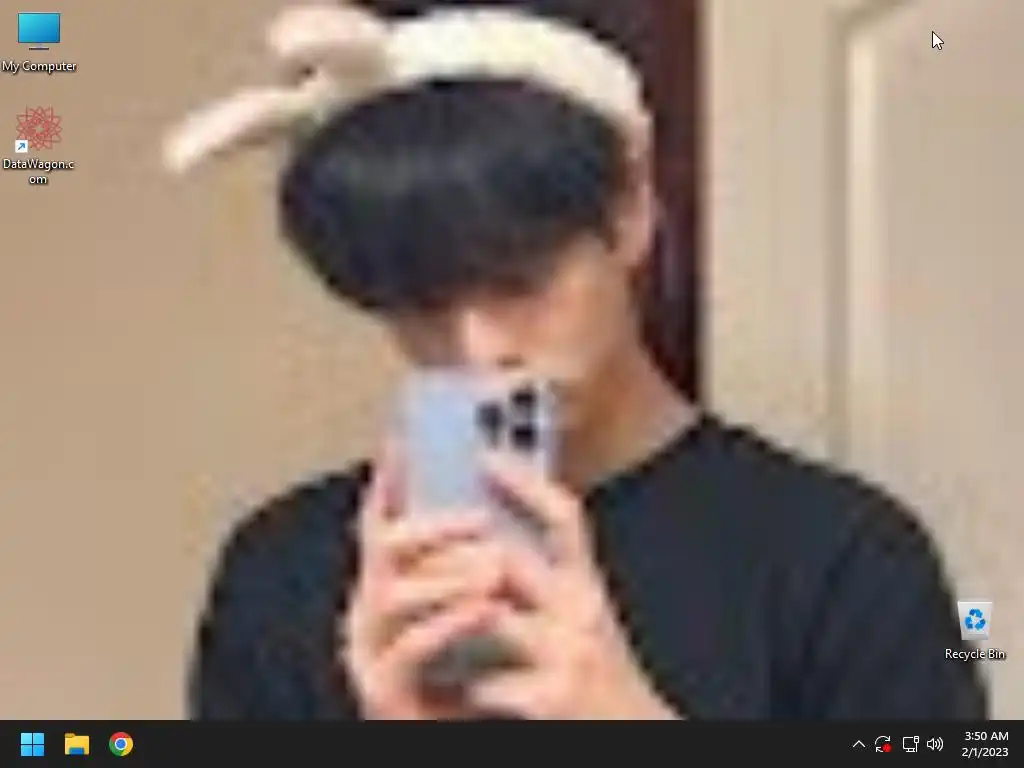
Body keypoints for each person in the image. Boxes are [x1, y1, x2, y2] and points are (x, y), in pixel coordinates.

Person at [164, 0, 988, 720]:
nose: (479, 350)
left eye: (519, 282)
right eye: (422, 304)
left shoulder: (850, 559)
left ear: (630, 209)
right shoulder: (283, 574)